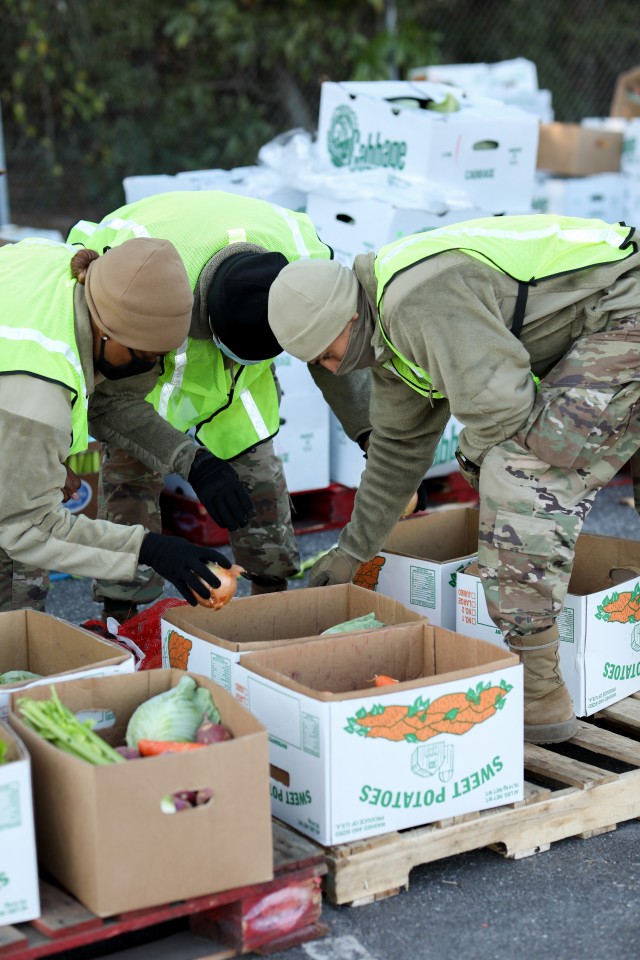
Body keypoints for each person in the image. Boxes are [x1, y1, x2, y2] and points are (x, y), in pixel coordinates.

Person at [261, 213, 640, 745]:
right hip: (605, 322)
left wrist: (482, 461)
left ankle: (539, 692)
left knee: (520, 470)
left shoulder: (415, 303)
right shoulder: (384, 333)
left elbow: (505, 412)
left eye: (328, 351)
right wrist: (352, 551)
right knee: (498, 459)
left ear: (347, 316)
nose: (334, 368)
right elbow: (396, 449)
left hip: (626, 312)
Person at [66, 191, 373, 622]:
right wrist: (191, 462)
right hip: (144, 385)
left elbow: (330, 347)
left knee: (259, 488)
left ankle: (274, 606)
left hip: (236, 394)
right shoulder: (147, 278)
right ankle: (123, 617)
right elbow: (113, 406)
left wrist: (369, 430)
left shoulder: (303, 260)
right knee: (129, 484)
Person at [0, 235, 250, 610]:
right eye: (145, 356)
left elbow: (104, 405)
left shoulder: (73, 274)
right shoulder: (39, 390)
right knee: (16, 583)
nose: (148, 368)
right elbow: (29, 526)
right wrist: (148, 548)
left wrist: (192, 461)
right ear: (105, 330)